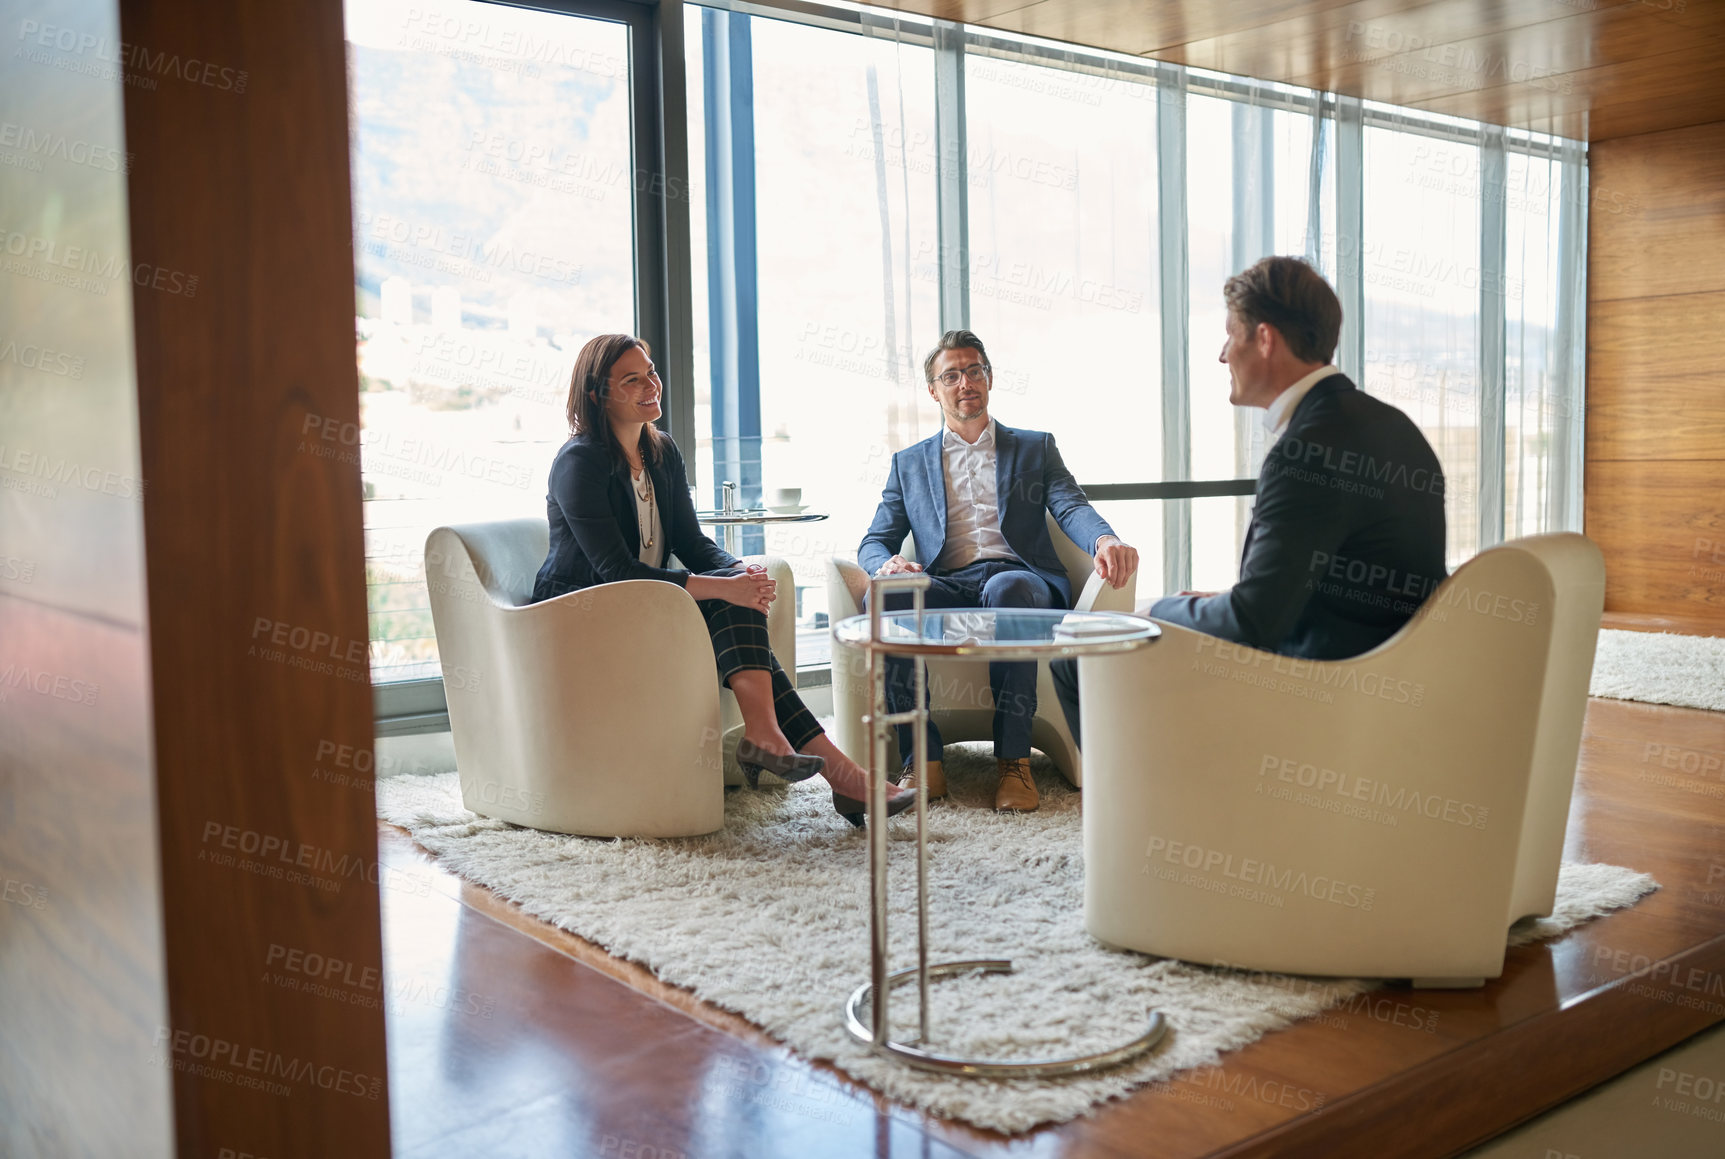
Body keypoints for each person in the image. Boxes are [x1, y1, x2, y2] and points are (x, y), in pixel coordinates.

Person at [1052, 256, 1448, 745]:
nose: (1223, 354)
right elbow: (1313, 583)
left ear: (1264, 339)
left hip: (1311, 693)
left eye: (1230, 334)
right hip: (1383, 682)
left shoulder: (1306, 451)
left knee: (1075, 656)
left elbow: (1253, 622)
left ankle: (1142, 810)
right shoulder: (1393, 428)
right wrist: (1225, 601)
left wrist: (1158, 611)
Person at [532, 333, 912, 827]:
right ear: (596, 394)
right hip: (580, 612)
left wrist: (738, 571)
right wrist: (724, 586)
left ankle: (783, 744)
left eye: (651, 370)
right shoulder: (578, 463)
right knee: (727, 598)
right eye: (632, 379)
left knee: (735, 596)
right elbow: (615, 572)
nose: (651, 384)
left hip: (645, 604)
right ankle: (833, 773)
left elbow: (692, 544)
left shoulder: (660, 453)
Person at [858, 329, 1139, 813]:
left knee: (1009, 586)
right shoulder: (909, 464)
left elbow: (1070, 505)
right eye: (951, 375)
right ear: (934, 390)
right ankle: (921, 758)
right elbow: (875, 539)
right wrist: (888, 563)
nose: (964, 382)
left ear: (988, 378)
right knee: (886, 597)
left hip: (1020, 578)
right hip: (949, 581)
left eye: (973, 371)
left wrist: (1104, 538)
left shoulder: (1035, 448)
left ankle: (1014, 761)